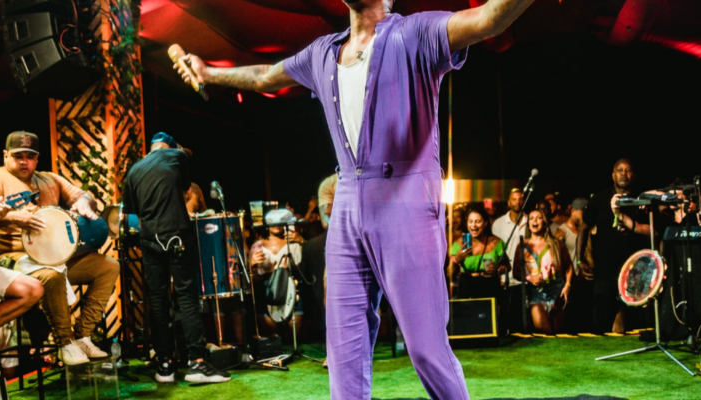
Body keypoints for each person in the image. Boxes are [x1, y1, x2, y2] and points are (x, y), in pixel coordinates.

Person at [176, 0, 536, 397]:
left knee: (426, 349)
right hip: (347, 202)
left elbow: (489, 18)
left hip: (406, 201)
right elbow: (265, 75)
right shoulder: (322, 52)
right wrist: (209, 73)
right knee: (344, 353)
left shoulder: (413, 34)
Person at [0, 131, 119, 366]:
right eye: (18, 156)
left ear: (37, 158)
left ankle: (82, 337)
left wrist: (84, 203)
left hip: (54, 256)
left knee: (108, 266)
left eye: (29, 157)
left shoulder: (48, 180)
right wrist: (12, 217)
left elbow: (83, 195)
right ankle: (65, 343)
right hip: (13, 261)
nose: (24, 161)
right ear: (5, 155)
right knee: (50, 276)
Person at [122, 132, 231, 383]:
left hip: (149, 238)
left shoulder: (134, 170)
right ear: (169, 147)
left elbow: (133, 212)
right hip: (177, 233)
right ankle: (197, 364)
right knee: (187, 297)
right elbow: (186, 193)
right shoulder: (177, 155)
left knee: (158, 300)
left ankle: (165, 366)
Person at [576, 158, 652, 334]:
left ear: (634, 175)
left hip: (636, 271)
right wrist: (579, 260)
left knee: (634, 324)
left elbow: (653, 231)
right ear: (612, 175)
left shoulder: (642, 199)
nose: (624, 174)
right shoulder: (599, 199)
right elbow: (584, 229)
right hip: (604, 272)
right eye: (619, 170)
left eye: (628, 170)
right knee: (601, 324)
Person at [248, 208, 305, 340]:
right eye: (273, 222)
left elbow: (305, 268)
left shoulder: (293, 243)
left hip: (290, 287)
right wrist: (251, 264)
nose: (277, 225)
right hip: (267, 290)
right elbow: (252, 278)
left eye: (281, 222)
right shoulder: (258, 245)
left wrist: (302, 241)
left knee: (295, 336)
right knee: (271, 338)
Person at [513, 209, 573, 334]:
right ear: (528, 224)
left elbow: (568, 267)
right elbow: (516, 272)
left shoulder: (556, 244)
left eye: (538, 218)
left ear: (544, 222)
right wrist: (529, 278)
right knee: (544, 332)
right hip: (536, 295)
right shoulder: (522, 246)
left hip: (557, 294)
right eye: (531, 218)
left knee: (559, 334)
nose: (534, 220)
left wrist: (567, 285)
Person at [448, 207, 506, 304]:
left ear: (485, 223)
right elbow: (449, 273)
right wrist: (456, 259)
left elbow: (507, 266)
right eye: (470, 221)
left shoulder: (496, 242)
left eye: (478, 221)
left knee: (490, 313)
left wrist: (497, 269)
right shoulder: (459, 244)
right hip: (467, 287)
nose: (473, 225)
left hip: (490, 286)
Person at [491, 188, 528, 334]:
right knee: (506, 318)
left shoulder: (530, 221)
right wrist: (500, 276)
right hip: (506, 278)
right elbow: (495, 251)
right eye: (514, 199)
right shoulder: (499, 224)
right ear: (508, 202)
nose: (518, 202)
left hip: (526, 278)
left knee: (523, 320)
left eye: (520, 199)